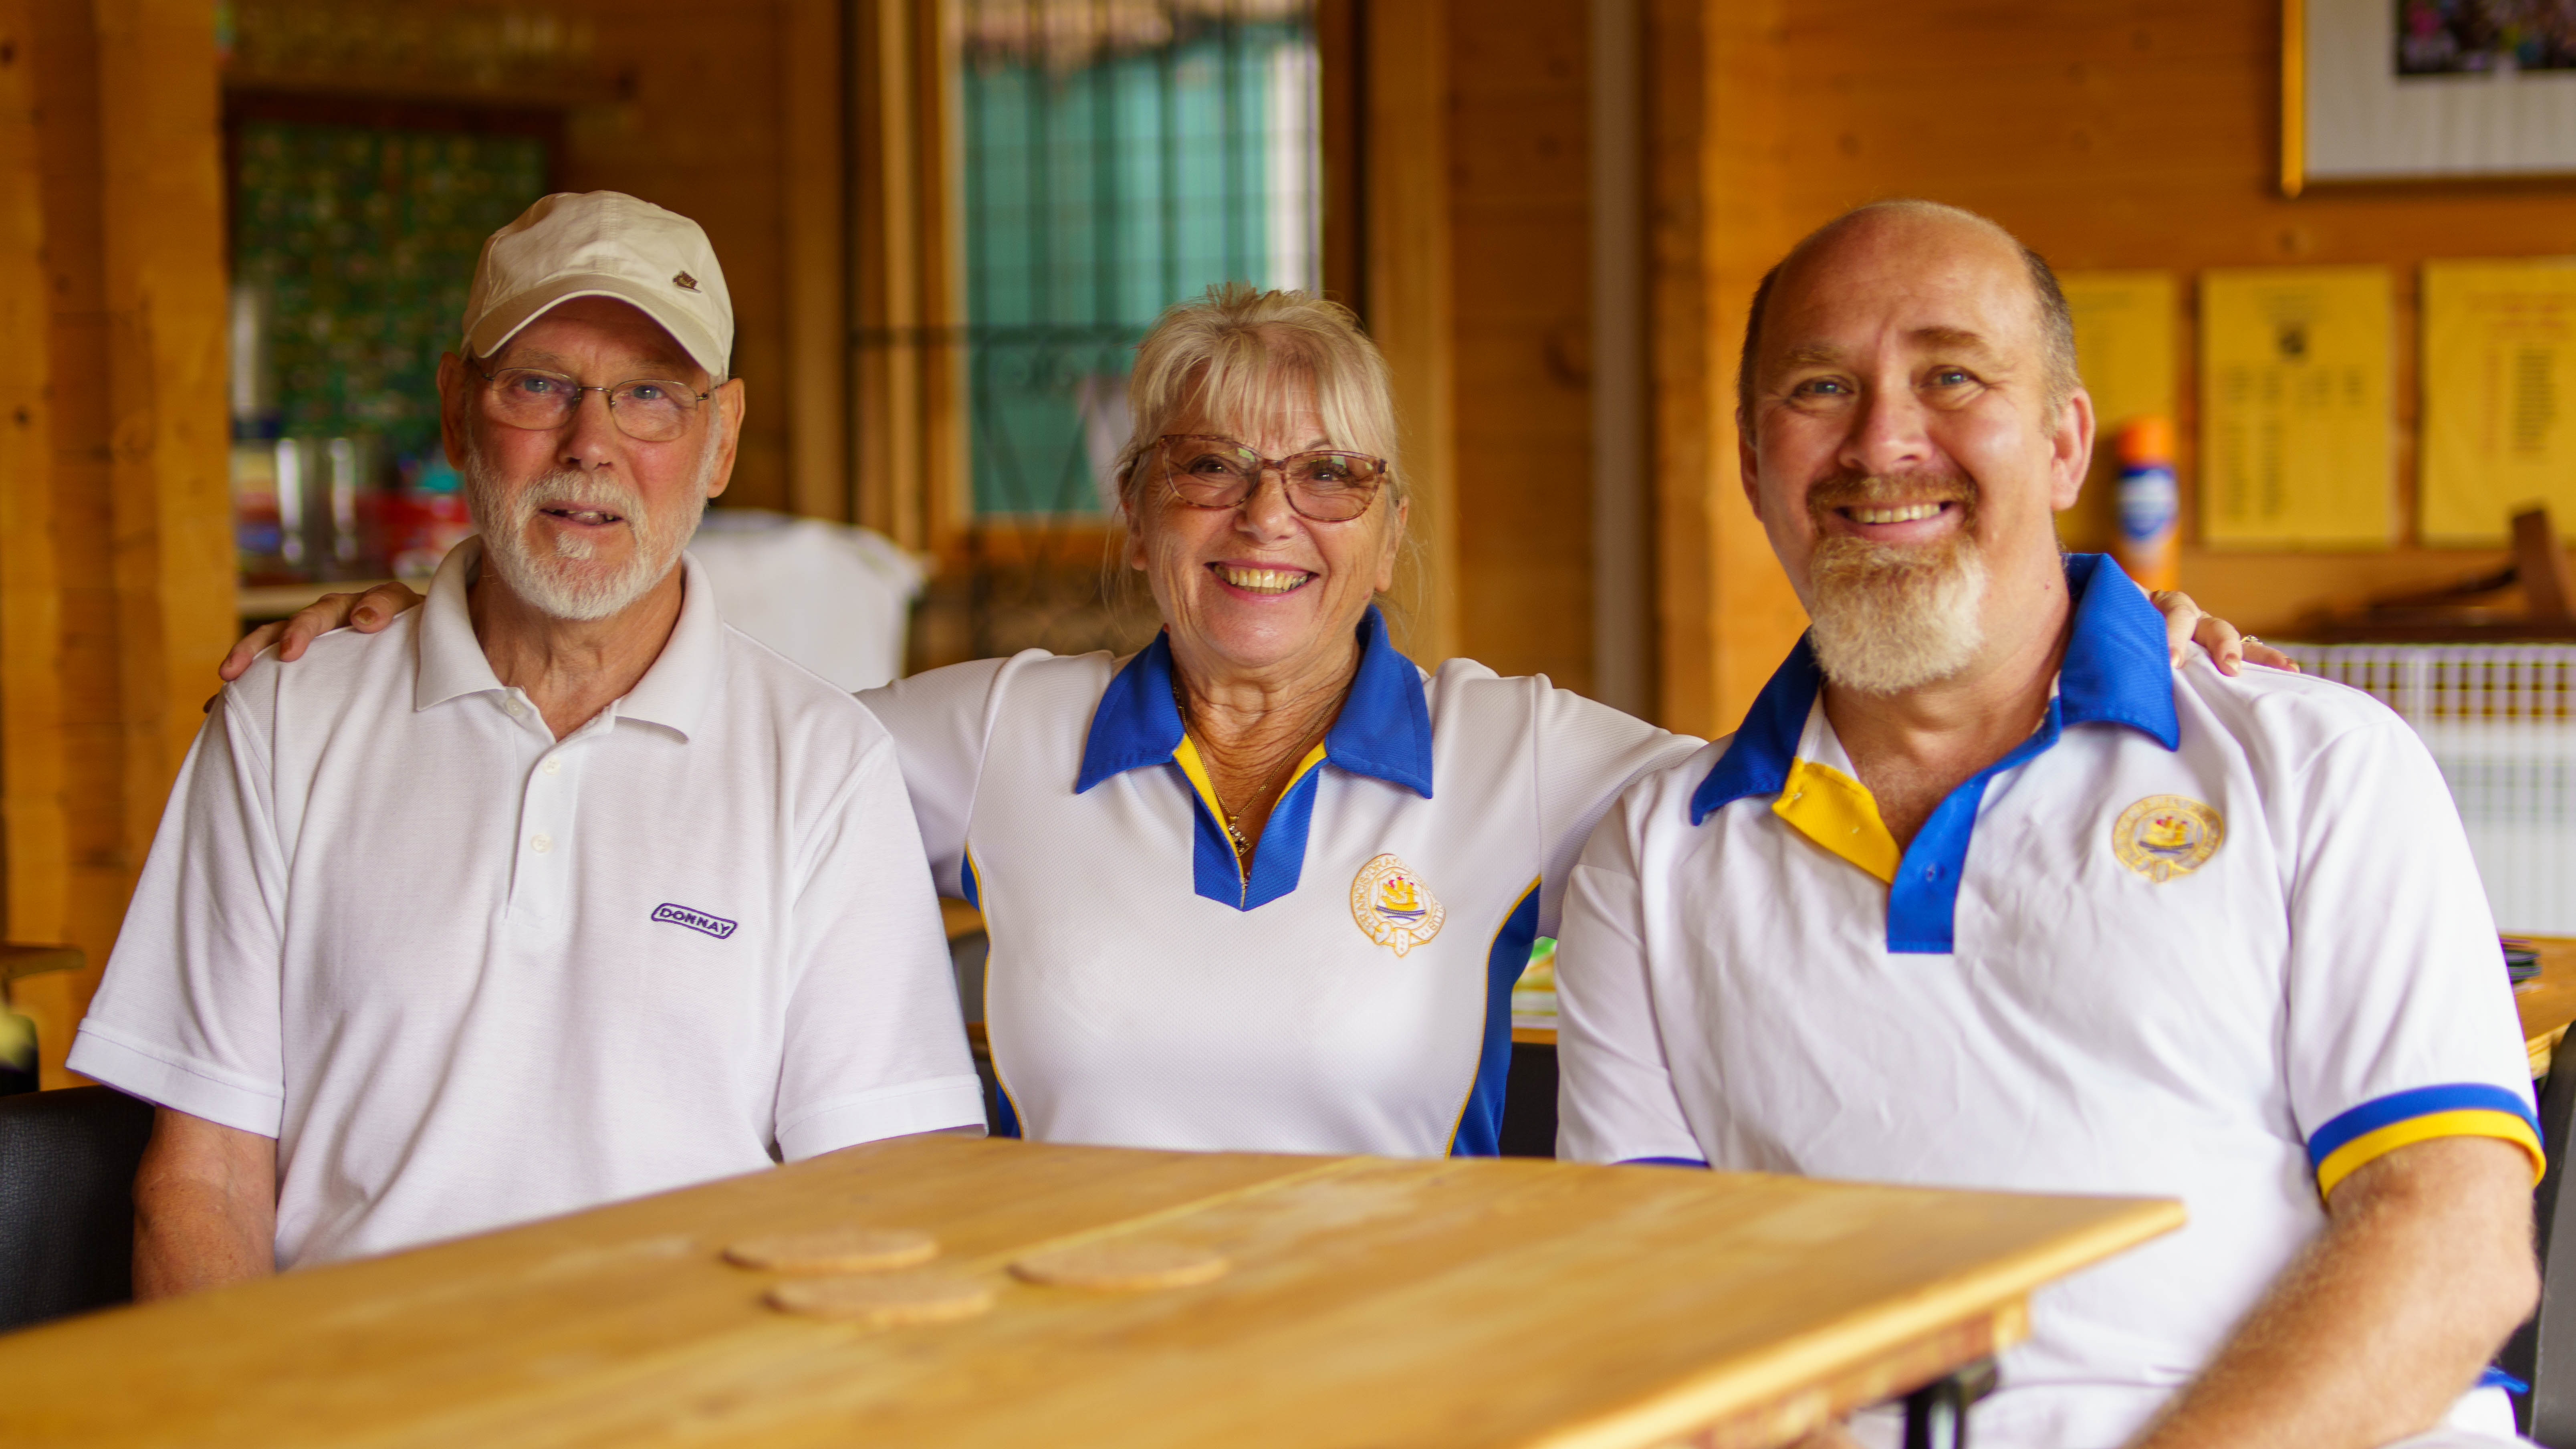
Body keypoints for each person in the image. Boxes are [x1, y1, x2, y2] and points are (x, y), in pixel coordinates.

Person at [226, 284, 2269, 1160]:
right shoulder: (985, 733)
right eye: (1208, 469)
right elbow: (671, 725)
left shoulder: (1522, 750)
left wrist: (2118, 645)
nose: (1265, 524)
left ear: (1392, 529)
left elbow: (1823, 767)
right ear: (1137, 518)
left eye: (1327, 481)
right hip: (1055, 1389)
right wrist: (413, 619)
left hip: (1421, 1390)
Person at [1554, 199, 2541, 1449]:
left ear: (2067, 446)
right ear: (1753, 465)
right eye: (1819, 388)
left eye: (1952, 375)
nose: (1884, 441)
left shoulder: (2322, 765)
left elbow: (2453, 1245)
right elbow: (1664, 1303)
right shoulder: (1649, 857)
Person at [73, 192, 984, 1292]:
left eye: (651, 395)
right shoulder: (283, 722)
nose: (590, 445)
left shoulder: (823, 761)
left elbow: (881, 1192)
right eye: (540, 385)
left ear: (722, 438)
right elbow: (202, 1182)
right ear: (460, 410)